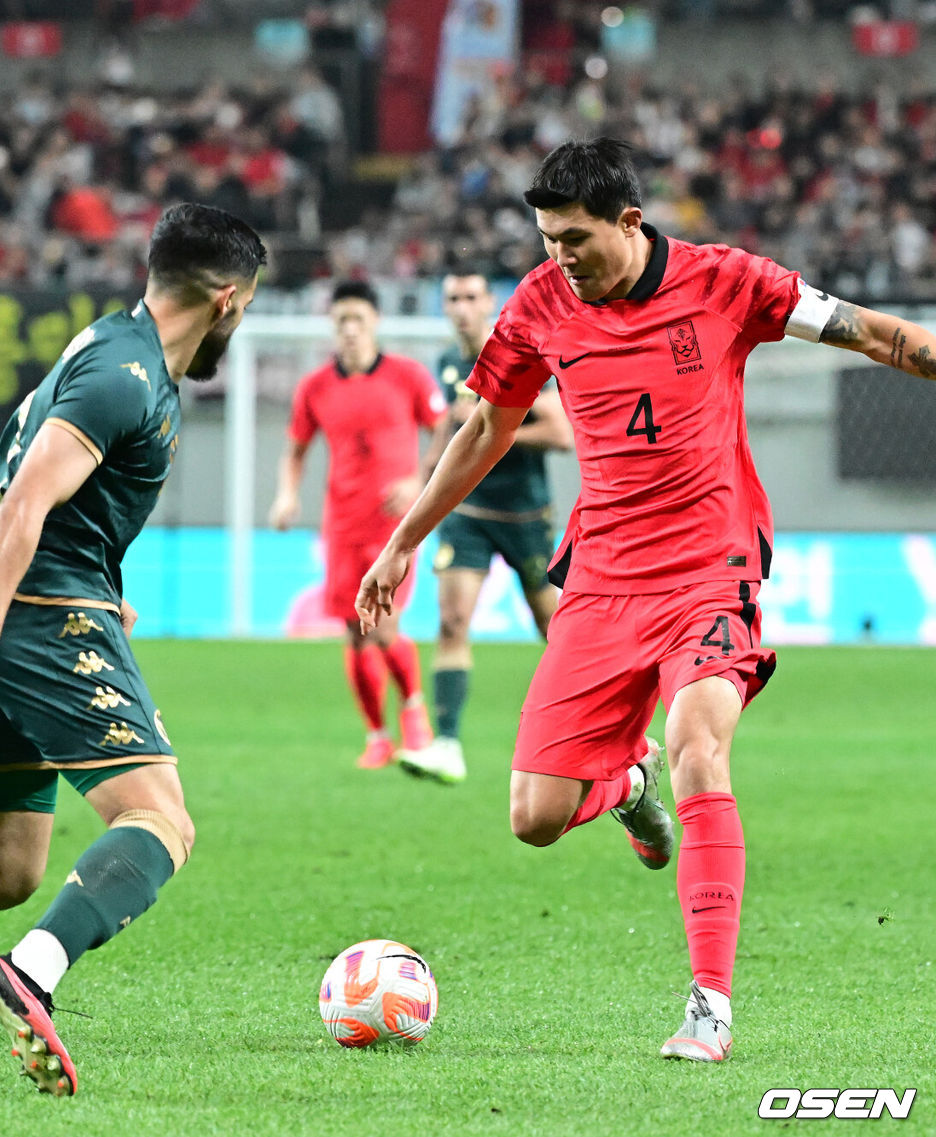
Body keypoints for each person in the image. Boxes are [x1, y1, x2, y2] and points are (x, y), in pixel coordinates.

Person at [356, 137, 936, 1062]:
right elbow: (488, 427)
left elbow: (876, 334)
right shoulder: (540, 304)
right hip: (603, 578)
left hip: (711, 569)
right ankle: (626, 785)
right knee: (534, 818)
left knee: (701, 749)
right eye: (547, 239)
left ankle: (709, 1005)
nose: (560, 257)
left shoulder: (729, 283)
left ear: (631, 220)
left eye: (575, 238)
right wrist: (402, 541)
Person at [0, 202, 267, 1096]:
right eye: (250, 305)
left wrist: (98, 593)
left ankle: (23, 950)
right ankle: (29, 974)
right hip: (30, 611)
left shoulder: (116, 348)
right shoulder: (126, 374)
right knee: (160, 820)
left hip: (2, 593)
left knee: (4, 869)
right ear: (228, 298)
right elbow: (29, 499)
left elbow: (62, 505)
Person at [404, 269, 573, 785]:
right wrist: (425, 477)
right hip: (468, 515)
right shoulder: (448, 363)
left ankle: (589, 733)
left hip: (525, 516)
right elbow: (448, 428)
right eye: (451, 297)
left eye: (469, 297)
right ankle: (448, 744)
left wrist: (491, 426)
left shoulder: (520, 354)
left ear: (489, 302)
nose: (460, 306)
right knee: (452, 622)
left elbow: (560, 433)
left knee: (558, 632)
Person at [269, 280, 447, 770]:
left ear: (375, 322)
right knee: (355, 632)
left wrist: (417, 480)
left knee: (385, 626)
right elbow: (296, 449)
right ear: (333, 325)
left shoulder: (408, 376)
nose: (350, 330)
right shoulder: (316, 387)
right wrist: (286, 495)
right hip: (343, 524)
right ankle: (377, 736)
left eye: (358, 320)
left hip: (396, 528)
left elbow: (447, 430)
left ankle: (415, 713)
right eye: (342, 320)